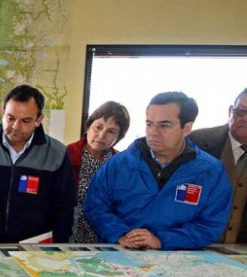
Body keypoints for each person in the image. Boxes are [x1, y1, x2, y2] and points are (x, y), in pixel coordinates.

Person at [85, 91, 231, 250]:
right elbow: (95, 207)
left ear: (187, 128)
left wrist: (161, 240)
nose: (153, 132)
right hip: (121, 256)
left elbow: (210, 225)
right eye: (149, 124)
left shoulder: (211, 172)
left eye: (164, 125)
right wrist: (121, 234)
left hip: (178, 259)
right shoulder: (118, 164)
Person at [0, 84, 75, 243]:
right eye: (10, 118)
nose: (15, 127)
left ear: (39, 120)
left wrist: (59, 248)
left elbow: (65, 208)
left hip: (36, 248)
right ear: (2, 112)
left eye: (25, 121)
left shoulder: (56, 153)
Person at [189, 88, 247, 243]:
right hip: (192, 243)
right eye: (240, 112)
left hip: (240, 252)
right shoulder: (197, 142)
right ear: (230, 111)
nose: (245, 119)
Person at [66, 101, 130, 243]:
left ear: (118, 137)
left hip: (107, 239)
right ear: (88, 126)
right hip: (68, 236)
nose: (101, 135)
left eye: (111, 131)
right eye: (98, 127)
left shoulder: (122, 164)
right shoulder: (66, 155)